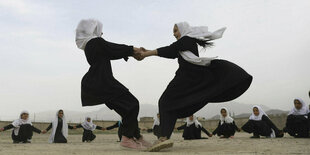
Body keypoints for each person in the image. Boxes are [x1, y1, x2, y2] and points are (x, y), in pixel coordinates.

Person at [136, 22, 253, 152]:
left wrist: (147, 53)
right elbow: (172, 51)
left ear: (183, 30)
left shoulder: (187, 40)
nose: (174, 34)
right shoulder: (186, 43)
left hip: (188, 78)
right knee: (168, 103)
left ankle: (164, 137)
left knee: (165, 101)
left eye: (176, 31)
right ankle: (164, 136)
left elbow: (171, 49)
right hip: (187, 77)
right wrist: (148, 52)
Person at [75, 19, 151, 150]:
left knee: (127, 109)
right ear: (93, 30)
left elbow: (111, 52)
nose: (102, 32)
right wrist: (134, 49)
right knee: (132, 103)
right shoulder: (95, 42)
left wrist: (131, 53)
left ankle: (135, 136)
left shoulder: (90, 45)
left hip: (99, 83)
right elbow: (112, 48)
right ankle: (127, 139)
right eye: (99, 29)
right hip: (102, 82)